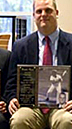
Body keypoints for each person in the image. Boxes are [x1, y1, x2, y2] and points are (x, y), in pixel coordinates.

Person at [4, 0, 72, 128]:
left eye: (48, 10)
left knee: (66, 121)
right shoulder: (20, 46)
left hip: (62, 107)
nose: (43, 14)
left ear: (56, 13)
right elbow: (11, 83)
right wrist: (11, 99)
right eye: (39, 11)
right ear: (34, 15)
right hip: (31, 107)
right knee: (19, 119)